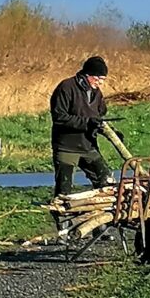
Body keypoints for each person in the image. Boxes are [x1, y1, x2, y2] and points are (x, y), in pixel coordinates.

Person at [50, 55, 112, 198]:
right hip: (66, 147)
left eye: (103, 79)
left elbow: (98, 117)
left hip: (88, 146)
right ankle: (62, 219)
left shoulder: (97, 93)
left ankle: (102, 216)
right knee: (63, 191)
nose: (100, 83)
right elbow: (59, 118)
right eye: (98, 79)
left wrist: (111, 132)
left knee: (106, 182)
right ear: (87, 75)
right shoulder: (66, 87)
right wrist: (87, 123)